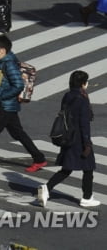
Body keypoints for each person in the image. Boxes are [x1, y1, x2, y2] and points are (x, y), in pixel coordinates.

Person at [0, 35, 47, 173]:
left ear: (3, 50)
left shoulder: (8, 64)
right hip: (3, 105)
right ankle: (39, 158)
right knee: (18, 133)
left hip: (5, 105)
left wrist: (1, 97)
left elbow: (18, 85)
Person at [38, 70, 100, 208]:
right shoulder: (82, 98)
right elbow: (84, 123)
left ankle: (47, 188)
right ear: (83, 83)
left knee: (67, 168)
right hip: (79, 139)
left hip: (67, 137)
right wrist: (87, 143)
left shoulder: (67, 95)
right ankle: (87, 197)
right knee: (88, 168)